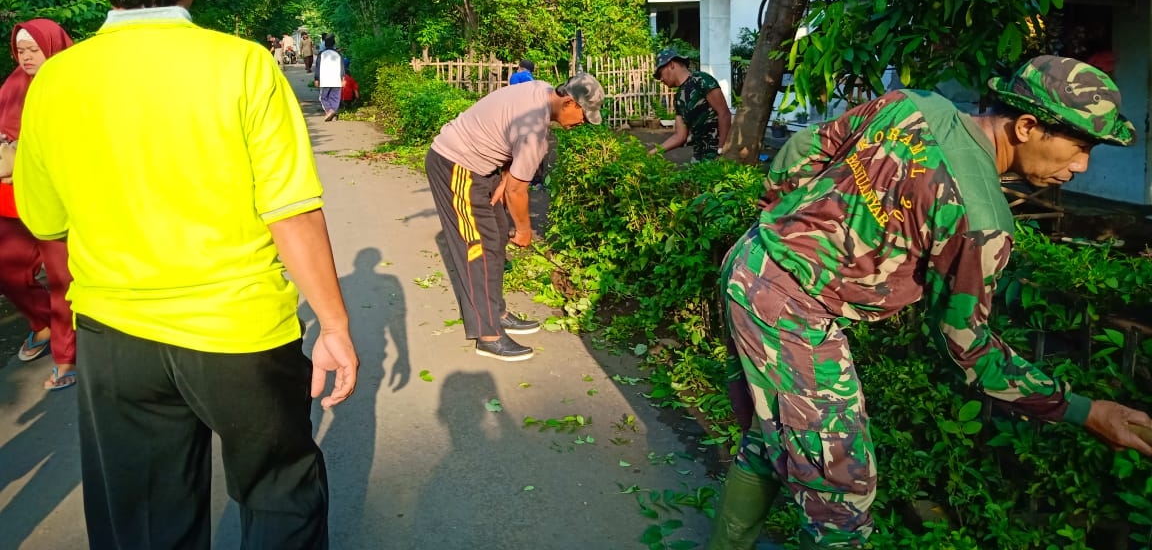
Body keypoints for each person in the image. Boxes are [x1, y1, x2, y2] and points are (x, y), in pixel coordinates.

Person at [15, 0, 358, 549]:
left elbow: (44, 217)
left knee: (146, 522)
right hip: (242, 334)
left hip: (117, 340)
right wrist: (335, 326)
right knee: (280, 494)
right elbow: (292, 212)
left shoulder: (55, 83)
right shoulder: (244, 67)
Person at [708, 56, 1152, 550]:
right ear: (1027, 127)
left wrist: (789, 224)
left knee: (772, 439)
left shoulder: (913, 105)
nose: (1082, 166)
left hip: (750, 263)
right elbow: (972, 354)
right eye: (1080, 146)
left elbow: (799, 148)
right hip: (791, 313)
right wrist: (1085, 411)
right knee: (843, 493)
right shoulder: (981, 220)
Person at [425, 73, 605, 361]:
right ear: (569, 102)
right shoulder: (534, 131)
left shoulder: (541, 93)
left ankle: (497, 312)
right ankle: (488, 335)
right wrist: (524, 230)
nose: (584, 121)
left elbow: (509, 142)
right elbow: (518, 192)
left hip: (482, 167)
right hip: (455, 164)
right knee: (477, 249)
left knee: (494, 237)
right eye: (584, 114)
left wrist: (505, 176)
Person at [0, 19, 76, 390]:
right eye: (21, 50)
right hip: (12, 198)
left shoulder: (73, 83)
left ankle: (66, 357)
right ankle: (44, 325)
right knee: (8, 271)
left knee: (61, 277)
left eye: (34, 49)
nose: (27, 57)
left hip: (59, 197)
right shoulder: (14, 85)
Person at [652, 47, 731, 161]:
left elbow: (724, 113)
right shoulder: (679, 98)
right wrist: (653, 152)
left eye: (660, 73)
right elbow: (680, 136)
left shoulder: (701, 80)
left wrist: (721, 149)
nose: (661, 79)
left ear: (671, 64)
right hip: (699, 155)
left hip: (716, 153)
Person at [314, 34, 344, 121]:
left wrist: (316, 79)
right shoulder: (338, 54)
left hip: (325, 79)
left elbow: (318, 67)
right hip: (336, 79)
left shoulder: (321, 54)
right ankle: (333, 113)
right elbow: (342, 67)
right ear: (334, 44)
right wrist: (343, 78)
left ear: (325, 44)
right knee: (335, 97)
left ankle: (329, 111)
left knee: (323, 97)